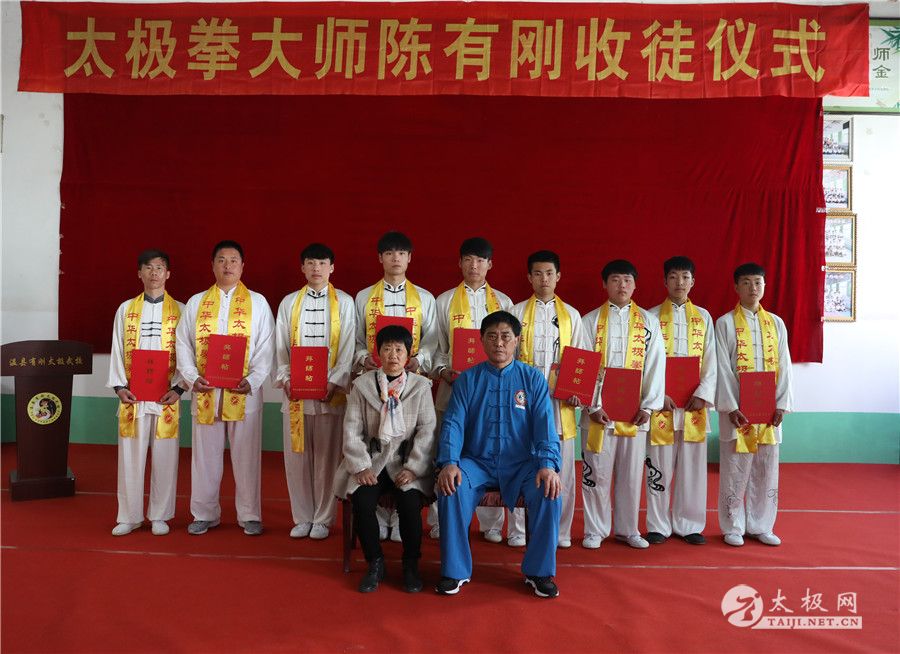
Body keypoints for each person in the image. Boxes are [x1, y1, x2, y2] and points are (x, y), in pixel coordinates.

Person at [436, 311, 562, 598]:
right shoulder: (468, 380)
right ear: (481, 341)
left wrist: (547, 465)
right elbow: (453, 423)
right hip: (476, 462)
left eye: (506, 336)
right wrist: (449, 462)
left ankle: (539, 572)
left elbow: (545, 426)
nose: (499, 343)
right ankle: (455, 570)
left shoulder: (532, 379)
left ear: (517, 340)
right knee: (451, 487)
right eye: (492, 336)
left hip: (522, 464)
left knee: (550, 489)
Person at [176, 240, 275, 536]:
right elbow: (183, 344)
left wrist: (253, 380)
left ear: (243, 266)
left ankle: (250, 514)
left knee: (247, 456)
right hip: (206, 392)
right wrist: (192, 377)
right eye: (221, 260)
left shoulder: (258, 302)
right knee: (205, 457)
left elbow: (266, 346)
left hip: (243, 393)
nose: (227, 265)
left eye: (233, 260)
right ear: (212, 265)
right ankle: (204, 513)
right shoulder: (196, 303)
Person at [333, 325, 437, 593]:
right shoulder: (362, 386)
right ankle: (375, 562)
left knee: (410, 504)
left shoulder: (421, 386)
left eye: (399, 349)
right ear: (377, 353)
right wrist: (361, 466)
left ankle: (410, 564)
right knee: (362, 501)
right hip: (373, 462)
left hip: (405, 463)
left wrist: (414, 468)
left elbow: (427, 431)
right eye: (387, 349)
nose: (393, 355)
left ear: (408, 355)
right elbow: (352, 430)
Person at [353, 231, 436, 541]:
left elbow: (432, 341)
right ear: (380, 258)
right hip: (374, 383)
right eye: (389, 253)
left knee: (407, 441)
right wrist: (365, 359)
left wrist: (419, 360)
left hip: (410, 384)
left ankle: (401, 519)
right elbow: (357, 339)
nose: (395, 258)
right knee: (376, 441)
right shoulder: (364, 297)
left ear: (410, 258)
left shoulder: (425, 298)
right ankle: (379, 516)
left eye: (401, 253)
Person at [429, 237, 513, 544]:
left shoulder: (504, 303)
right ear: (460, 263)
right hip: (453, 389)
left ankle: (491, 523)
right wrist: (444, 372)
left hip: (494, 395)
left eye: (480, 260)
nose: (473, 266)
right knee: (447, 451)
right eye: (468, 260)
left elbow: (510, 348)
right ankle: (441, 519)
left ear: (490, 264)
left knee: (490, 451)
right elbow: (437, 348)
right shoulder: (444, 301)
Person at [580, 260, 665, 550]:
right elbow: (583, 364)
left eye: (627, 280)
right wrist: (593, 406)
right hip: (599, 414)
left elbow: (656, 366)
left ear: (635, 285)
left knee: (631, 474)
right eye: (615, 280)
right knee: (596, 472)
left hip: (634, 414)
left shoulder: (649, 323)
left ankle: (628, 529)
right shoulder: (589, 321)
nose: (622, 285)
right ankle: (595, 530)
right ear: (605, 284)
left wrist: (648, 406)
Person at [274, 243, 356, 540]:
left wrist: (333, 382)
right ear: (302, 268)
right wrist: (286, 379)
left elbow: (347, 346)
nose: (316, 268)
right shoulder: (289, 303)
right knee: (297, 458)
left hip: (330, 395)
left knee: (327, 458)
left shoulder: (344, 302)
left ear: (332, 267)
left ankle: (322, 518)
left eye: (322, 263)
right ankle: (301, 516)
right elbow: (280, 347)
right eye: (310, 263)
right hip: (296, 395)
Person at [510, 250, 589, 549]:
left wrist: (579, 392)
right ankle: (518, 530)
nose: (544, 279)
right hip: (523, 401)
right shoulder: (516, 312)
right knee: (521, 463)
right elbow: (507, 355)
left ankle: (560, 531)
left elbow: (581, 358)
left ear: (558, 276)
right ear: (529, 277)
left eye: (549, 273)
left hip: (559, 404)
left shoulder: (572, 315)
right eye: (538, 273)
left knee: (562, 467)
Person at [107, 249, 185, 536]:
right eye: (148, 267)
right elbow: (118, 347)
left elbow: (188, 353)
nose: (154, 272)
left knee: (165, 456)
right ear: (139, 273)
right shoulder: (126, 309)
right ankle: (129, 516)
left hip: (166, 396)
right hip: (134, 396)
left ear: (168, 273)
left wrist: (179, 387)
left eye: (160, 267)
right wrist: (119, 386)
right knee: (130, 455)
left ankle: (160, 515)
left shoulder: (182, 310)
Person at [715, 262, 793, 547]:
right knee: (735, 469)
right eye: (746, 282)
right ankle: (733, 525)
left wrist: (781, 404)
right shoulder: (725, 323)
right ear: (736, 287)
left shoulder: (776, 323)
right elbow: (722, 368)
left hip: (768, 413)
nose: (753, 288)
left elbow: (784, 365)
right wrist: (731, 406)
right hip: (738, 412)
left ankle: (762, 525)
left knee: (766, 469)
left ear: (764, 286)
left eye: (758, 282)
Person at [645, 256, 717, 545]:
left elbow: (711, 360)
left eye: (685, 277)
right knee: (658, 464)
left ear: (693, 282)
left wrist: (704, 393)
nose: (679, 282)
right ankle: (657, 524)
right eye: (673, 277)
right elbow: (647, 362)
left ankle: (689, 524)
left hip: (693, 406)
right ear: (665, 281)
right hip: (663, 405)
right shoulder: (650, 317)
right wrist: (657, 395)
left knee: (692, 468)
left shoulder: (704, 317)